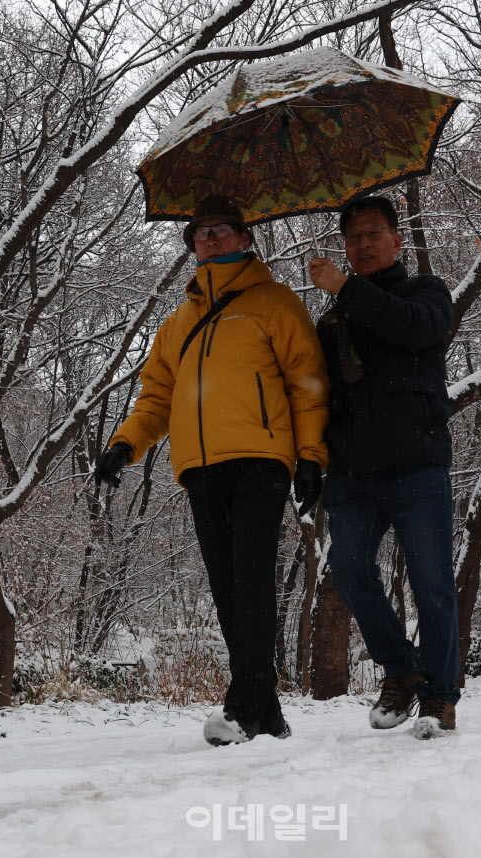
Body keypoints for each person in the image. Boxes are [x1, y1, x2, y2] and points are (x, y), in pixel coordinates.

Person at [95, 195, 329, 746]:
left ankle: (242, 705)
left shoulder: (275, 304)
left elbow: (308, 383)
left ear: (246, 238)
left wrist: (312, 456)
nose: (210, 239)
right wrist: (125, 443)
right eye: (200, 233)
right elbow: (157, 394)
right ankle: (266, 711)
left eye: (222, 230)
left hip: (259, 460)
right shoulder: (179, 322)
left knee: (250, 579)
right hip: (199, 469)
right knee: (227, 589)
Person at [308, 195, 460, 739]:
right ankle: (401, 668)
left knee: (431, 582)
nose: (363, 244)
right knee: (348, 568)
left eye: (374, 233)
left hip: (417, 465)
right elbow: (318, 391)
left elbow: (417, 330)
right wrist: (309, 458)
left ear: (397, 240)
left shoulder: (425, 291)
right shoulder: (333, 316)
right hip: (352, 472)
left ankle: (441, 697)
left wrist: (345, 289)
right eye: (353, 237)